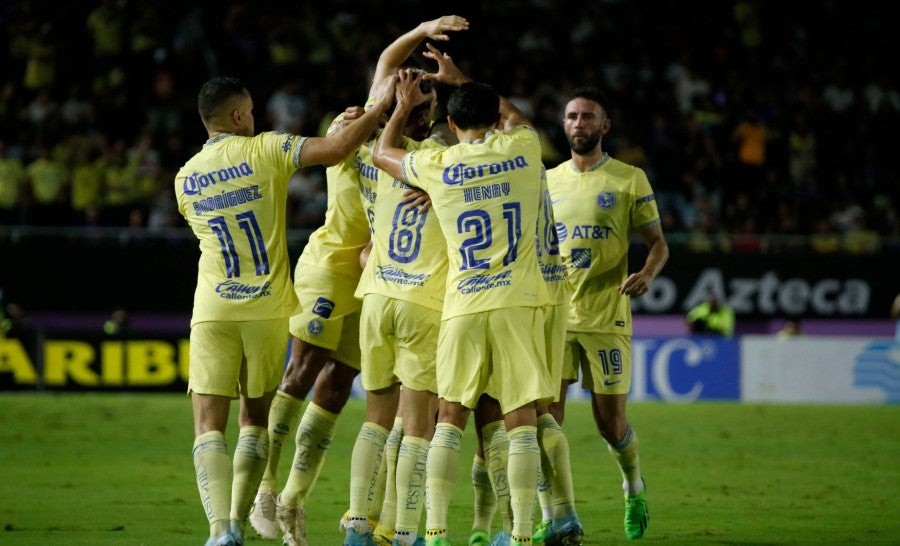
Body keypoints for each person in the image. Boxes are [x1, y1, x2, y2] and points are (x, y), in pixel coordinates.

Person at [250, 16, 469, 546]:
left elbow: (395, 74)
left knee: (335, 386)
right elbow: (385, 66)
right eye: (424, 106)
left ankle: (294, 502)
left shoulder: (411, 154)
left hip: (377, 277)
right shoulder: (356, 129)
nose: (432, 114)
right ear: (403, 107)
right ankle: (263, 485)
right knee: (300, 372)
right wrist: (423, 31)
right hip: (332, 262)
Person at [175, 74, 396, 546]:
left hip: (213, 306)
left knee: (207, 424)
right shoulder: (266, 150)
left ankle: (222, 529)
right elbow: (334, 149)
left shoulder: (185, 177)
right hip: (267, 309)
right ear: (238, 116)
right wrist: (378, 114)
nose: (255, 118)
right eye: (250, 111)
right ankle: (241, 512)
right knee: (255, 419)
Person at [374, 45, 554, 546]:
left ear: (451, 127)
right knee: (519, 418)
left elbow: (381, 154)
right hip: (517, 303)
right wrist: (459, 78)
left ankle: (434, 532)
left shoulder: (441, 165)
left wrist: (403, 106)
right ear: (493, 120)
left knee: (449, 417)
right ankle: (519, 534)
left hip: (462, 307)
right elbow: (512, 115)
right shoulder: (523, 148)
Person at [341, 15, 466, 546]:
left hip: (376, 297)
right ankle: (404, 531)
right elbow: (492, 125)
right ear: (427, 113)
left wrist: (418, 35)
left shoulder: (367, 151)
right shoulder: (437, 163)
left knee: (375, 418)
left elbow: (386, 67)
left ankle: (357, 525)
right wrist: (454, 80)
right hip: (423, 303)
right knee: (417, 427)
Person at [545, 87, 669, 540]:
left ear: (604, 126)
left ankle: (633, 487)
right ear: (564, 125)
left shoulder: (628, 178)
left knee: (610, 424)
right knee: (545, 420)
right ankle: (554, 516)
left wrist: (647, 274)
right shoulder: (547, 180)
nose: (579, 123)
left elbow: (659, 244)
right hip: (555, 317)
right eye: (572, 116)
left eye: (588, 117)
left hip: (607, 316)